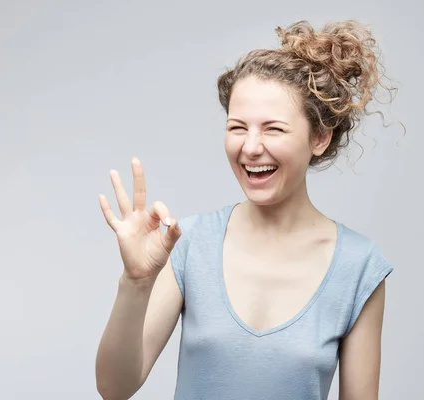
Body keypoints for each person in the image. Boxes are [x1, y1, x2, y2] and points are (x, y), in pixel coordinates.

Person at [95, 19, 396, 400]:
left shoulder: (359, 266)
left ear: (320, 137)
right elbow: (114, 388)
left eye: (273, 129)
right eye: (238, 127)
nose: (250, 147)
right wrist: (136, 282)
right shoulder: (189, 243)